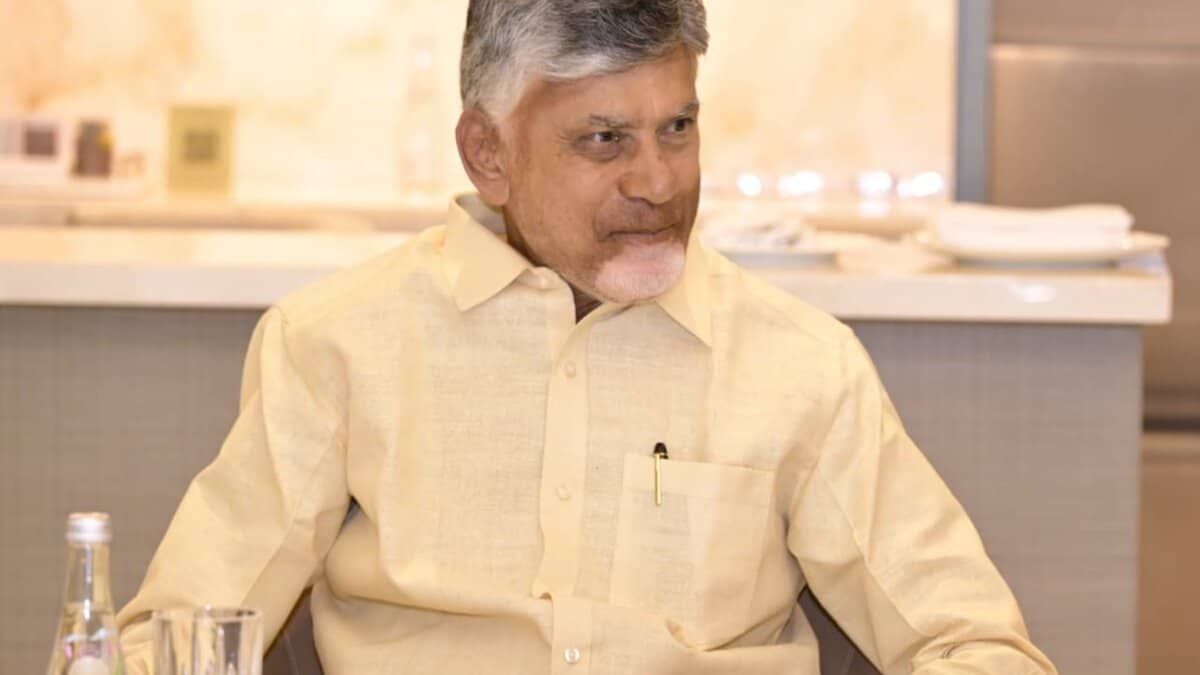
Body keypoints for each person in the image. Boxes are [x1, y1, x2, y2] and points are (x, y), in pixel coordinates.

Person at [118, 1, 1058, 673]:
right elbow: (173, 637)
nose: (657, 180)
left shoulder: (801, 366)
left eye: (677, 127)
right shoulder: (338, 347)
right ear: (489, 152)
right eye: (604, 140)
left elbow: (971, 643)